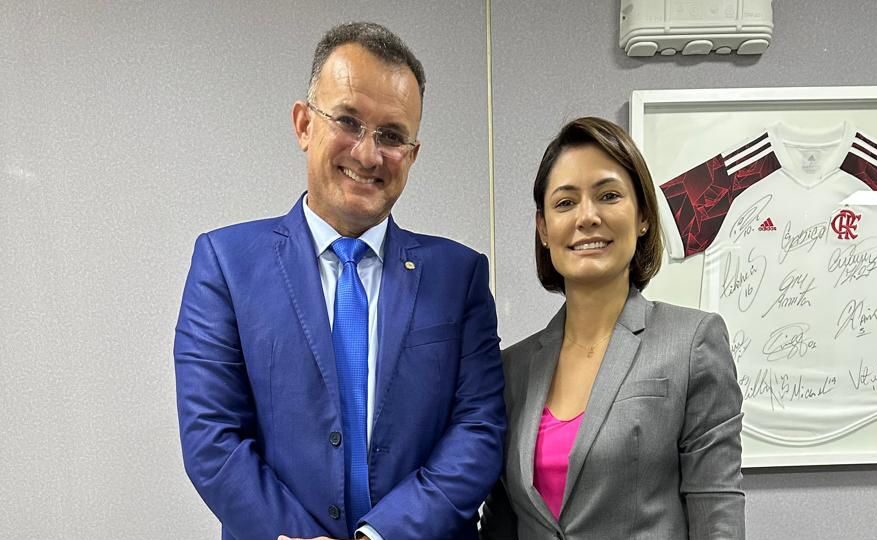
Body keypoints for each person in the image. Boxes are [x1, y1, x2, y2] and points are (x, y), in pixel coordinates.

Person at [174, 22, 506, 540]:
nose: (368, 154)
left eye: (392, 135)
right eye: (348, 121)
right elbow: (211, 437)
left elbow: (478, 429)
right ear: (304, 124)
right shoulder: (225, 263)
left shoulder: (459, 276)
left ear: (412, 154)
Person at [479, 117, 745, 539]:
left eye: (608, 196)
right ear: (544, 229)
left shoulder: (692, 342)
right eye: (565, 203)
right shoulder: (513, 369)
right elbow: (501, 523)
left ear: (642, 216)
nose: (587, 217)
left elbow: (716, 514)